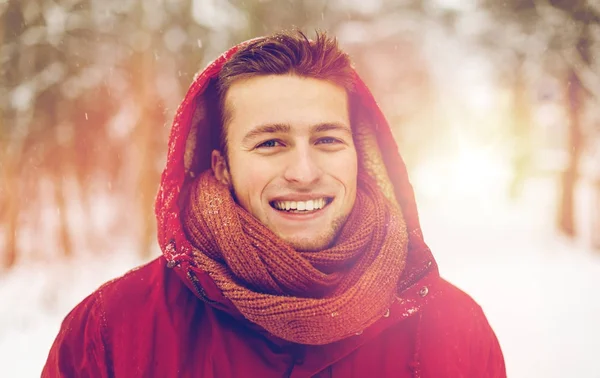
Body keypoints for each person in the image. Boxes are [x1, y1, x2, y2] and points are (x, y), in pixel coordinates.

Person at [43, 30, 506, 377]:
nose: (304, 172)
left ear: (360, 156)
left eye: (326, 139)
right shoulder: (112, 330)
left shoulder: (453, 330)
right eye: (270, 143)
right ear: (221, 166)